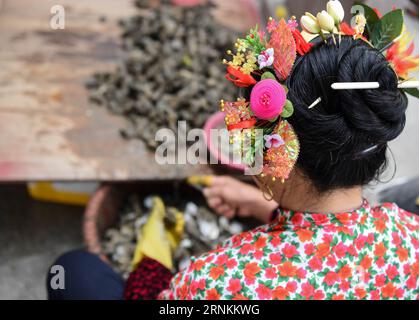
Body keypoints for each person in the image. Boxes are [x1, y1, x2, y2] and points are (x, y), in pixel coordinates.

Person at [48, 5, 419, 300]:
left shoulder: (218, 282)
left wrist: (152, 267)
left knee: (70, 274)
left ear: (278, 160)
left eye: (249, 141)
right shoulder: (411, 238)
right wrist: (263, 207)